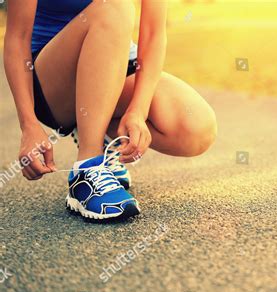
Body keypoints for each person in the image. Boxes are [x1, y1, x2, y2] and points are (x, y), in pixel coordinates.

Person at [4, 0, 217, 221]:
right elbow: (16, 39)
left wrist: (138, 110)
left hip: (116, 61)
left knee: (197, 128)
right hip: (53, 80)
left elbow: (153, 33)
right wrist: (28, 124)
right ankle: (87, 169)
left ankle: (100, 132)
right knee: (116, 5)